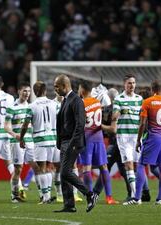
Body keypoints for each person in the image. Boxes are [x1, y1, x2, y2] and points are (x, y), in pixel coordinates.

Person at [125, 80, 161, 205]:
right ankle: (159, 199)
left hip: (153, 138)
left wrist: (138, 140)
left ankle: (137, 198)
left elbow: (142, 124)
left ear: (152, 89)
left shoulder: (147, 102)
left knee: (142, 165)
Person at [53, 74, 98, 213]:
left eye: (57, 86)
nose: (55, 89)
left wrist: (73, 142)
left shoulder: (76, 100)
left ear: (65, 86)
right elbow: (62, 123)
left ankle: (90, 194)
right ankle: (69, 205)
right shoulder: (65, 100)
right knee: (63, 174)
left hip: (72, 141)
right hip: (65, 141)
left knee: (66, 172)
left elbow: (80, 124)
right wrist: (59, 142)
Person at [78, 82, 118, 205]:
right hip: (99, 138)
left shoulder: (81, 104)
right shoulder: (97, 103)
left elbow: (79, 123)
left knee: (86, 167)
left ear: (82, 91)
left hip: (87, 138)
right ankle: (109, 198)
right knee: (104, 167)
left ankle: (90, 196)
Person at [19, 81, 57, 204]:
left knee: (41, 168)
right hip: (53, 139)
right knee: (49, 167)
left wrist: (21, 138)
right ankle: (48, 195)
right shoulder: (54, 104)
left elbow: (25, 125)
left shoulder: (32, 106)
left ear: (35, 92)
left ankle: (45, 197)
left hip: (40, 140)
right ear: (45, 91)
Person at [111, 74, 143, 201]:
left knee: (137, 165)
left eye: (134, 83)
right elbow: (114, 117)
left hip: (136, 136)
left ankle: (139, 194)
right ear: (124, 84)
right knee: (128, 165)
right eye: (129, 83)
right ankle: (135, 197)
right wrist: (120, 112)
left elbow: (142, 118)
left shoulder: (139, 99)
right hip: (123, 136)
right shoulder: (119, 99)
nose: (132, 85)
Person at [4, 82, 38, 203]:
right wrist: (15, 135)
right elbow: (6, 126)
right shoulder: (12, 107)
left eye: (28, 91)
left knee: (37, 166)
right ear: (19, 91)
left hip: (30, 141)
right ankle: (14, 194)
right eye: (24, 91)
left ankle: (44, 194)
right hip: (17, 142)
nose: (27, 93)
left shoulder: (32, 107)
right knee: (18, 169)